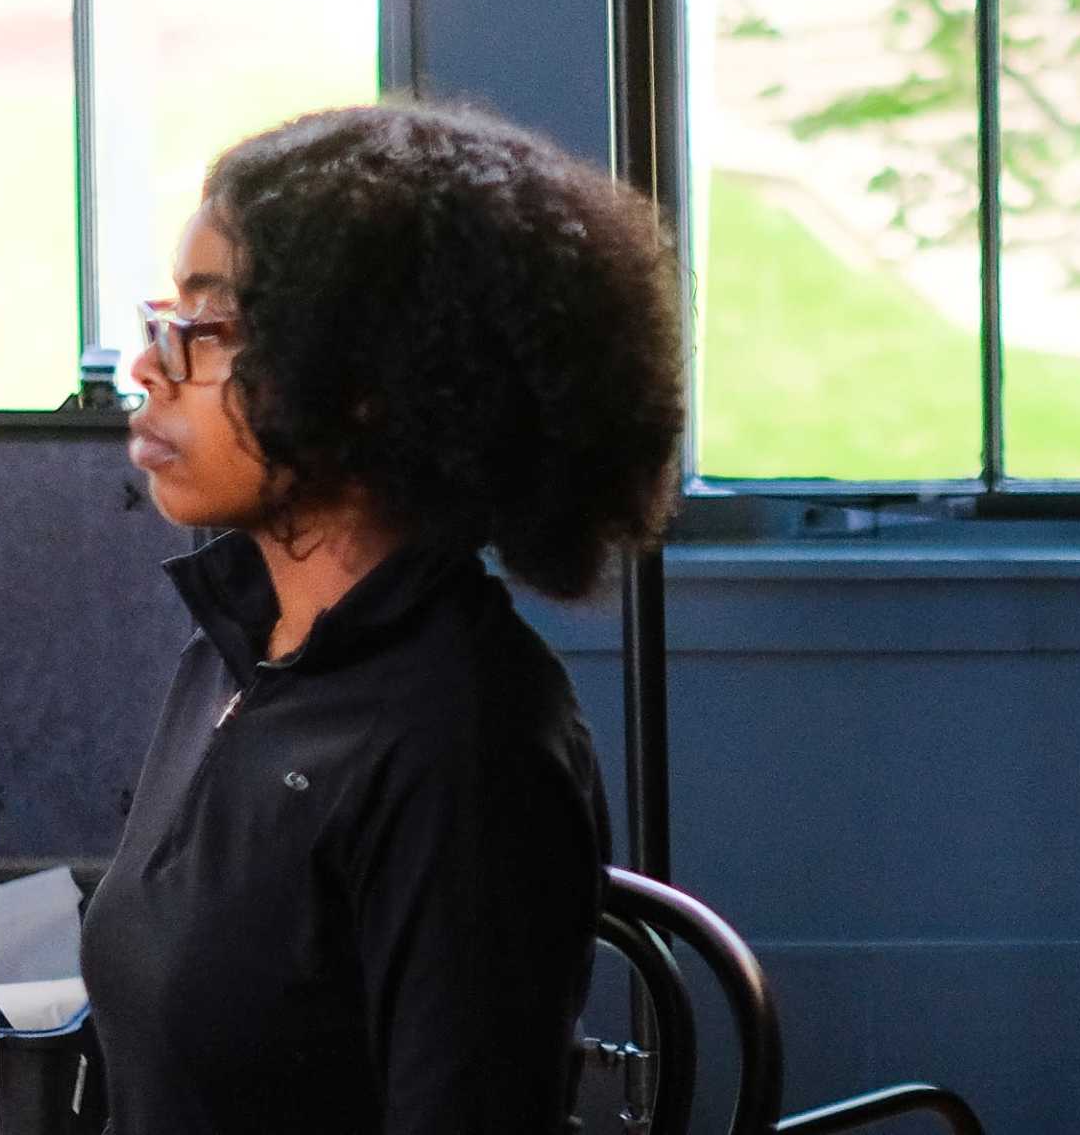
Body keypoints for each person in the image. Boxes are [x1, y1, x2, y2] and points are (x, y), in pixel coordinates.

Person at [79, 99, 684, 1135]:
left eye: (206, 329)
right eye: (162, 323)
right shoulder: (234, 647)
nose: (149, 367)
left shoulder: (462, 742)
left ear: (365, 385)